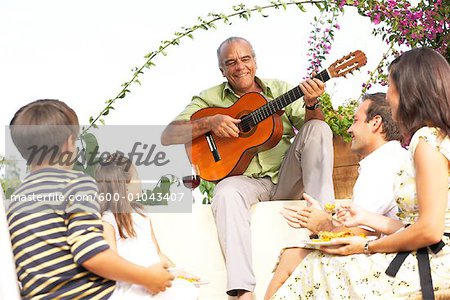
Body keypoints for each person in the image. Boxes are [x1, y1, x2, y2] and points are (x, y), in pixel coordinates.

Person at [161, 36, 334, 298]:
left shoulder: (279, 89)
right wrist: (210, 123)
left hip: (287, 177)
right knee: (226, 192)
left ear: (255, 61)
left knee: (318, 127)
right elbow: (169, 135)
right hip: (246, 182)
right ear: (222, 70)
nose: (240, 66)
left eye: (245, 59)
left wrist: (312, 104)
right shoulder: (209, 98)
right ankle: (242, 290)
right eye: (230, 62)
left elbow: (314, 125)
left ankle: (324, 222)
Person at [271, 47, 450, 299]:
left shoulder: (426, 141)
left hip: (436, 264)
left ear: (410, 91)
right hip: (432, 254)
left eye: (390, 87)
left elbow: (431, 231)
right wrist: (366, 217)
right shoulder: (436, 137)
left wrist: (366, 246)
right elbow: (422, 226)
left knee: (313, 269)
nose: (387, 98)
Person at [7, 99, 173, 299]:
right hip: (92, 295)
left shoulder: (16, 199)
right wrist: (147, 277)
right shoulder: (75, 184)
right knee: (180, 292)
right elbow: (91, 253)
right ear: (69, 143)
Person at [265, 92, 408, 298]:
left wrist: (323, 225)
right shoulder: (395, 157)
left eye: (355, 120)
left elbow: (358, 235)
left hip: (391, 264)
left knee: (290, 258)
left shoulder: (380, 165)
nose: (349, 129)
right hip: (395, 253)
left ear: (375, 123)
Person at [95, 152, 198, 299]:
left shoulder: (142, 215)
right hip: (132, 284)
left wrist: (178, 272)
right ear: (123, 186)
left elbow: (158, 254)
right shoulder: (108, 220)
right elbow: (111, 263)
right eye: (136, 177)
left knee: (187, 289)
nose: (140, 180)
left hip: (155, 280)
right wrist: (145, 276)